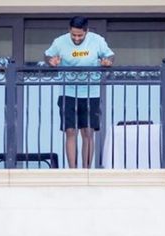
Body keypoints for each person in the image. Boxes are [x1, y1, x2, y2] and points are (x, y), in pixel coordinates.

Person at [45, 16, 114, 169]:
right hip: (67, 92)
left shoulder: (97, 40)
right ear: (69, 31)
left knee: (88, 133)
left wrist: (107, 62)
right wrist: (51, 61)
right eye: (73, 35)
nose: (76, 38)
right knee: (70, 131)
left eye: (80, 35)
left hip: (91, 93)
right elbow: (48, 55)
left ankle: (86, 170)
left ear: (86, 31)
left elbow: (110, 56)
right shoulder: (60, 41)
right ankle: (73, 170)